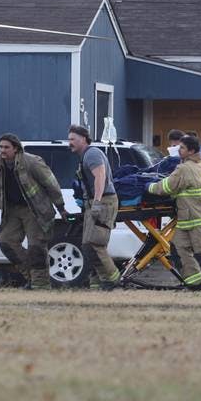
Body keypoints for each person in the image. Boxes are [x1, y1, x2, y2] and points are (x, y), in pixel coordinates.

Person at [0, 133, 68, 289]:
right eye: (0, 147)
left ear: (16, 148)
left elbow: (52, 184)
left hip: (35, 209)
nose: (2, 150)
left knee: (36, 247)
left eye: (6, 147)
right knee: (6, 243)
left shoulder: (31, 162)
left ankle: (40, 285)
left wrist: (61, 207)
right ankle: (32, 277)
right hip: (11, 210)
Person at [147, 134, 201, 293]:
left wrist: (148, 187)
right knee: (178, 248)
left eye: (182, 148)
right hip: (188, 221)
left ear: (191, 151)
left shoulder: (185, 168)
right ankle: (196, 285)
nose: (179, 150)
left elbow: (167, 187)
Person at [68, 124, 120, 290]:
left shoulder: (92, 154)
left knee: (94, 243)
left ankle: (112, 279)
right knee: (88, 245)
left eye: (72, 139)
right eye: (69, 139)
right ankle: (99, 282)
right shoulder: (86, 155)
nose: (69, 142)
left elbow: (100, 177)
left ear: (83, 139)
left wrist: (97, 202)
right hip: (94, 202)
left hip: (103, 201)